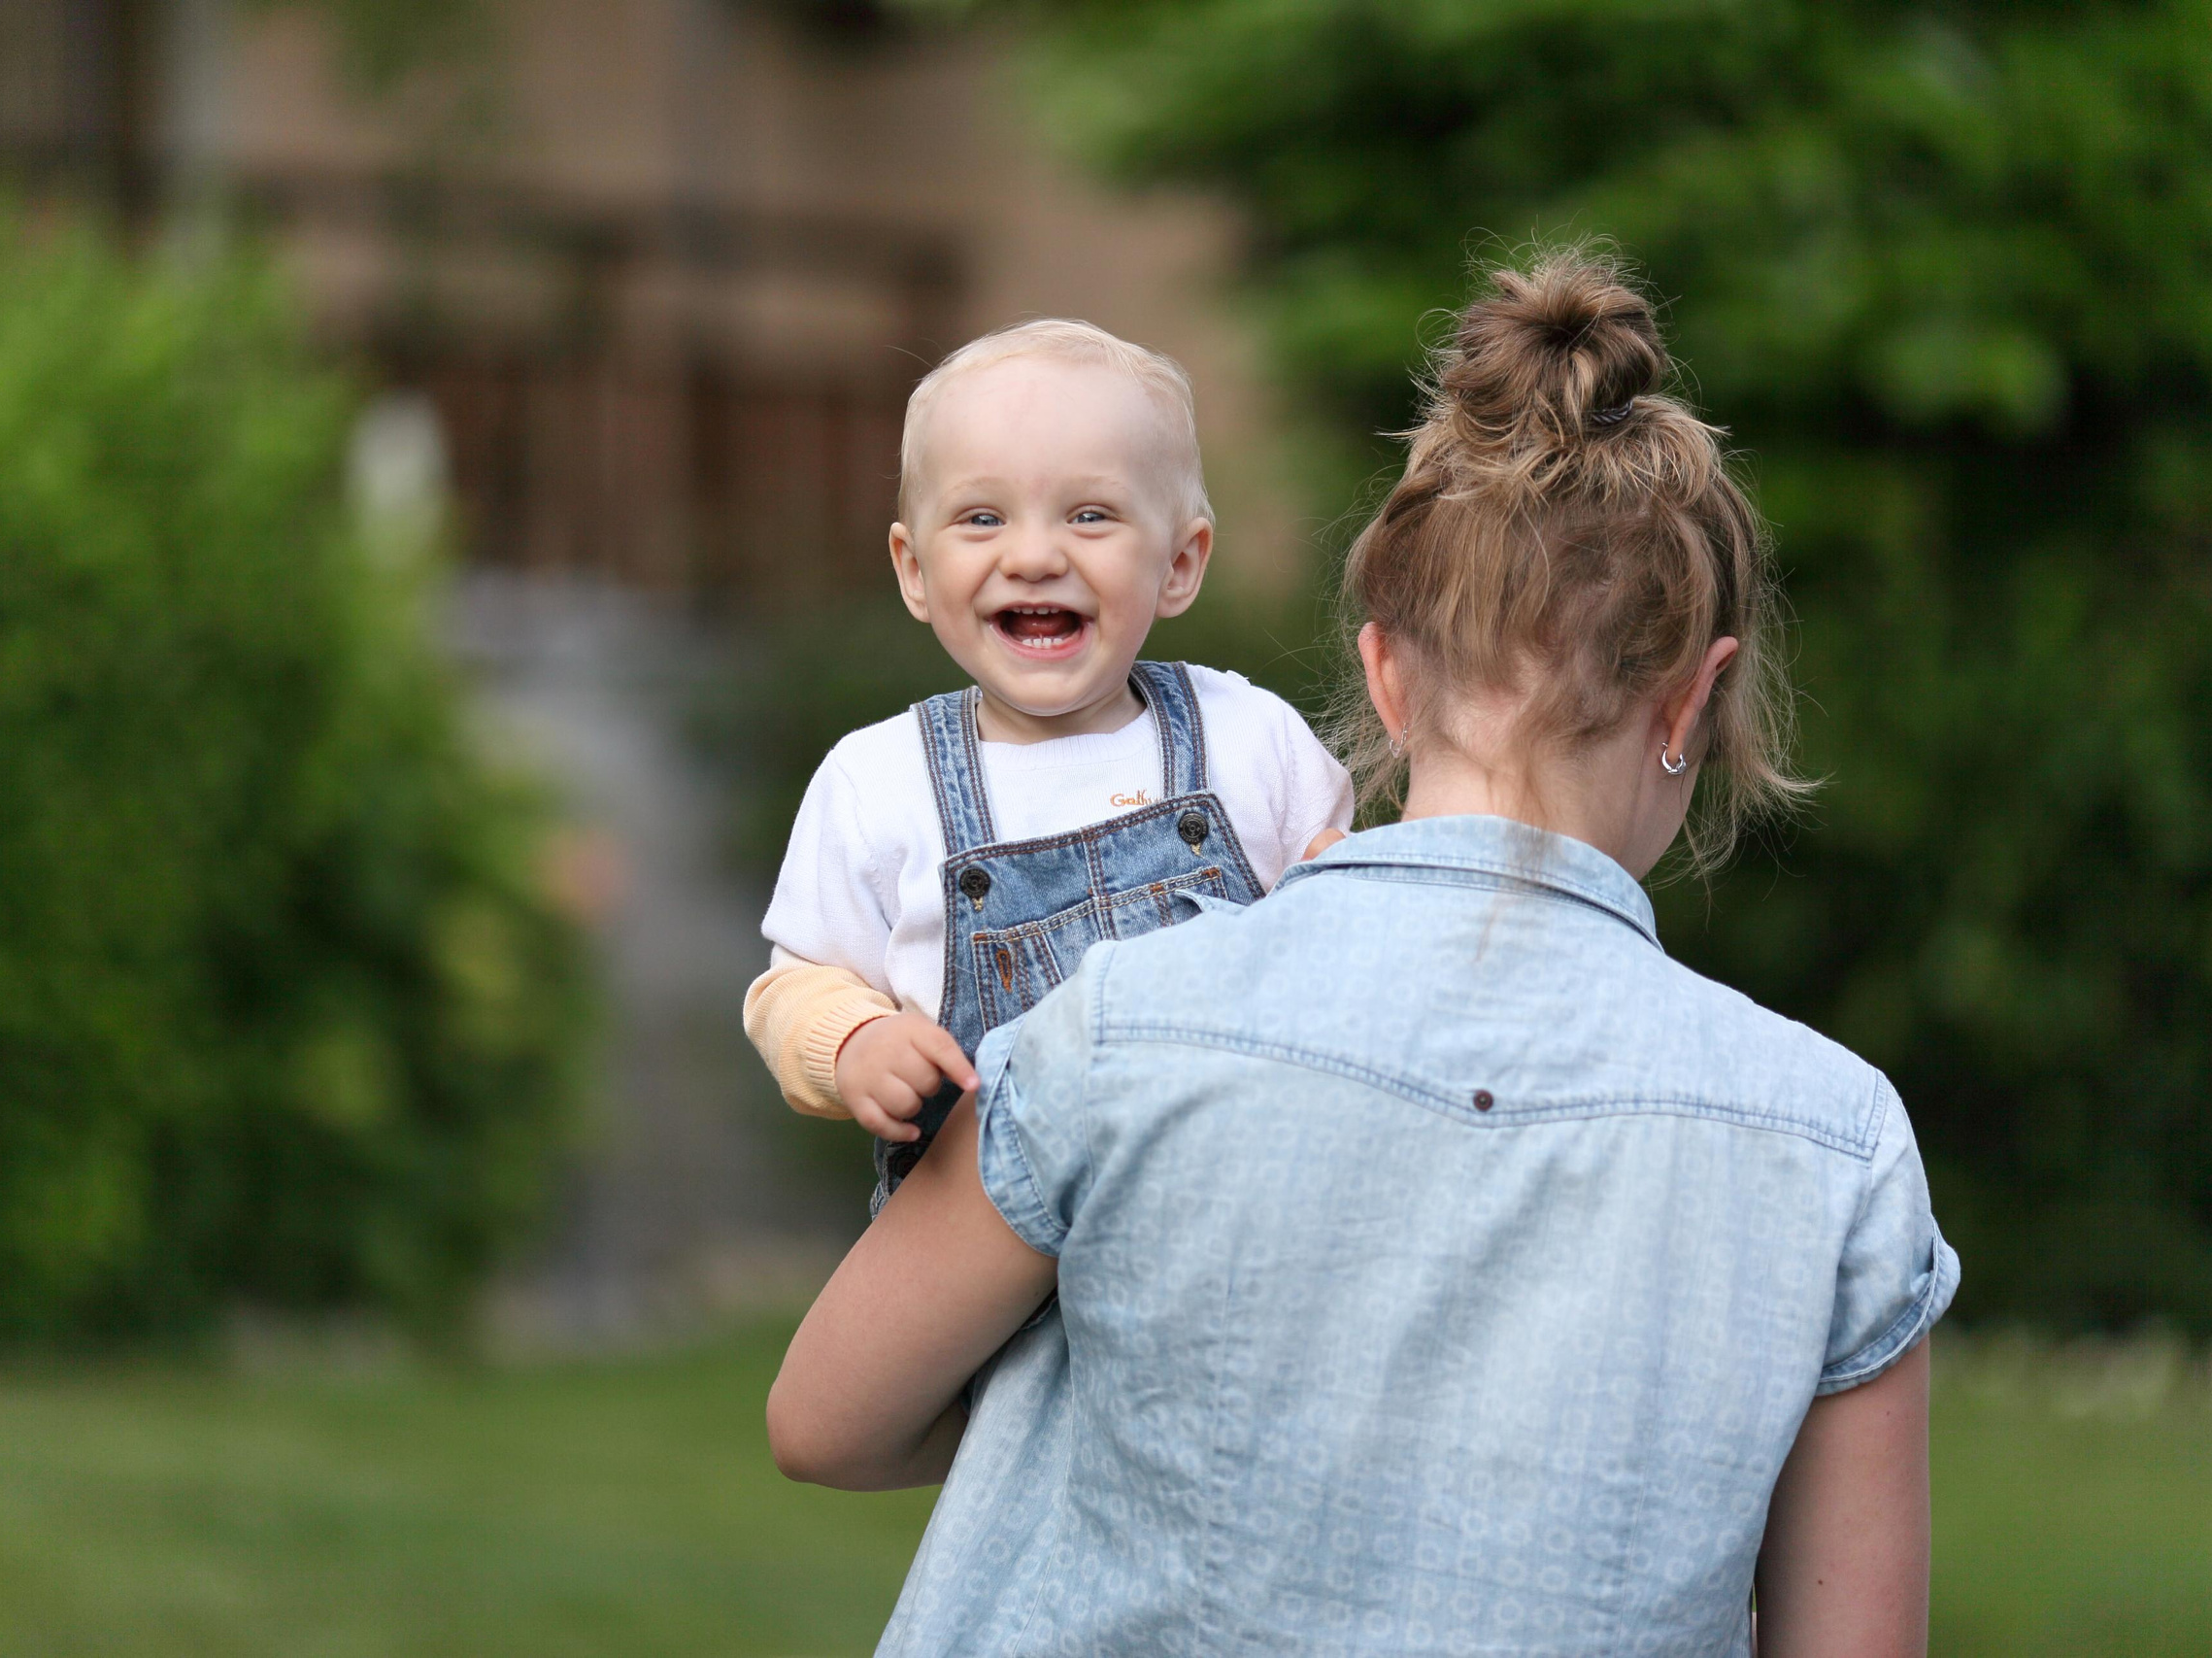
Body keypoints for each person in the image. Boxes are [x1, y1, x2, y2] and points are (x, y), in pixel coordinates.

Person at [767, 252, 1960, 1657]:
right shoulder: (1837, 1143)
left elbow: (825, 1420)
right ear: (1695, 697)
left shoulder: (1111, 1031)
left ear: (1385, 676)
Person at [743, 319, 1352, 1205]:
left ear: (1179, 563)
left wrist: (1344, 893)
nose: (1033, 557)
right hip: (994, 1279)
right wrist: (852, 1042)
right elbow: (795, 983)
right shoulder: (879, 784)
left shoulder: (1248, 739)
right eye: (982, 518)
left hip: (1246, 1222)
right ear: (915, 569)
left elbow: (1349, 913)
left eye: (1090, 515)